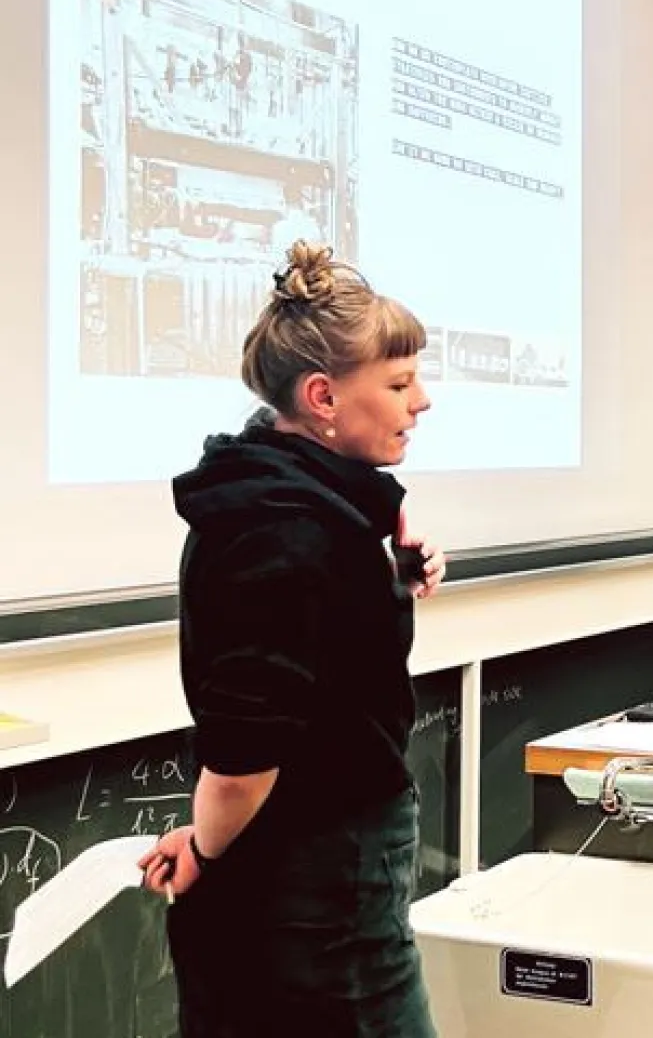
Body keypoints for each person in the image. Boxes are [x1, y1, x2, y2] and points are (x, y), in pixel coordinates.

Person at [139, 241, 444, 1035]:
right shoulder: (286, 536)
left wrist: (390, 581)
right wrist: (206, 850)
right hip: (323, 882)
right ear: (323, 398)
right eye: (400, 383)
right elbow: (244, 755)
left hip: (301, 864)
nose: (422, 403)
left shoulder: (290, 504)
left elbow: (311, 667)